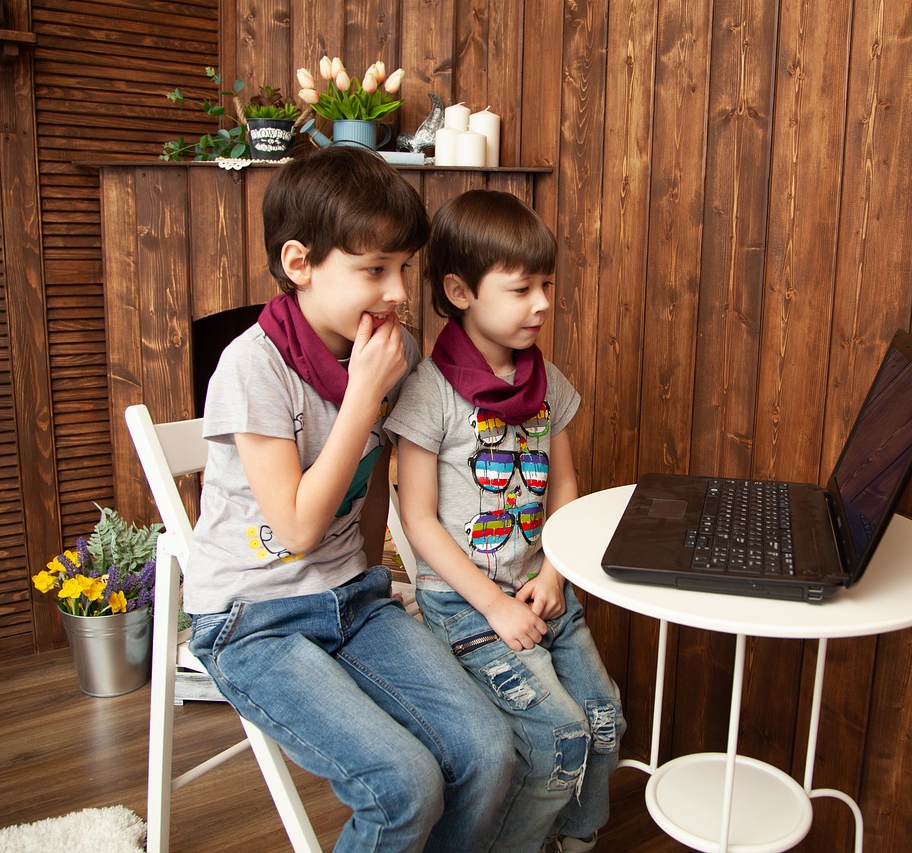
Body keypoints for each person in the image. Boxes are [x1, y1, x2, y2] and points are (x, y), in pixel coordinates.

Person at [183, 147, 515, 853]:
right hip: (253, 619)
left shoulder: (398, 354)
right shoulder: (252, 366)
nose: (398, 291)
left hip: (352, 598)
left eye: (405, 268)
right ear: (299, 262)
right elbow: (299, 529)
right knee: (404, 784)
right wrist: (363, 394)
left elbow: (373, 488)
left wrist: (373, 579)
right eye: (374, 270)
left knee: (489, 749)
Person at [386, 190, 623, 853]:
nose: (542, 303)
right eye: (521, 289)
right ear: (460, 291)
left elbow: (565, 483)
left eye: (546, 284)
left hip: (542, 588)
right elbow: (418, 519)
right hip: (467, 603)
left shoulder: (548, 382)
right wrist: (493, 605)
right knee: (560, 736)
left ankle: (575, 837)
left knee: (605, 720)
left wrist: (555, 573)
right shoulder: (430, 391)